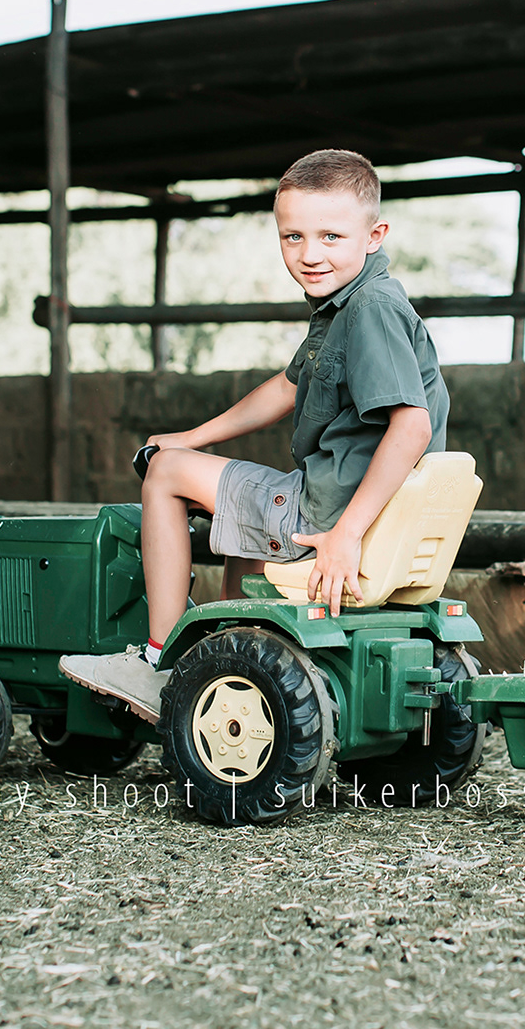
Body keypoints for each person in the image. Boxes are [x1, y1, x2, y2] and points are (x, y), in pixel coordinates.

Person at [60, 149, 449, 722]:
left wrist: (344, 534)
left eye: (331, 236)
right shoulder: (348, 304)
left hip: (329, 517)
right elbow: (288, 387)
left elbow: (411, 426)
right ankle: (226, 666)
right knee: (224, 505)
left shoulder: (368, 309)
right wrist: (193, 435)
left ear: (375, 235)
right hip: (339, 508)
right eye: (293, 237)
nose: (310, 254)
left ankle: (160, 660)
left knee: (167, 476)